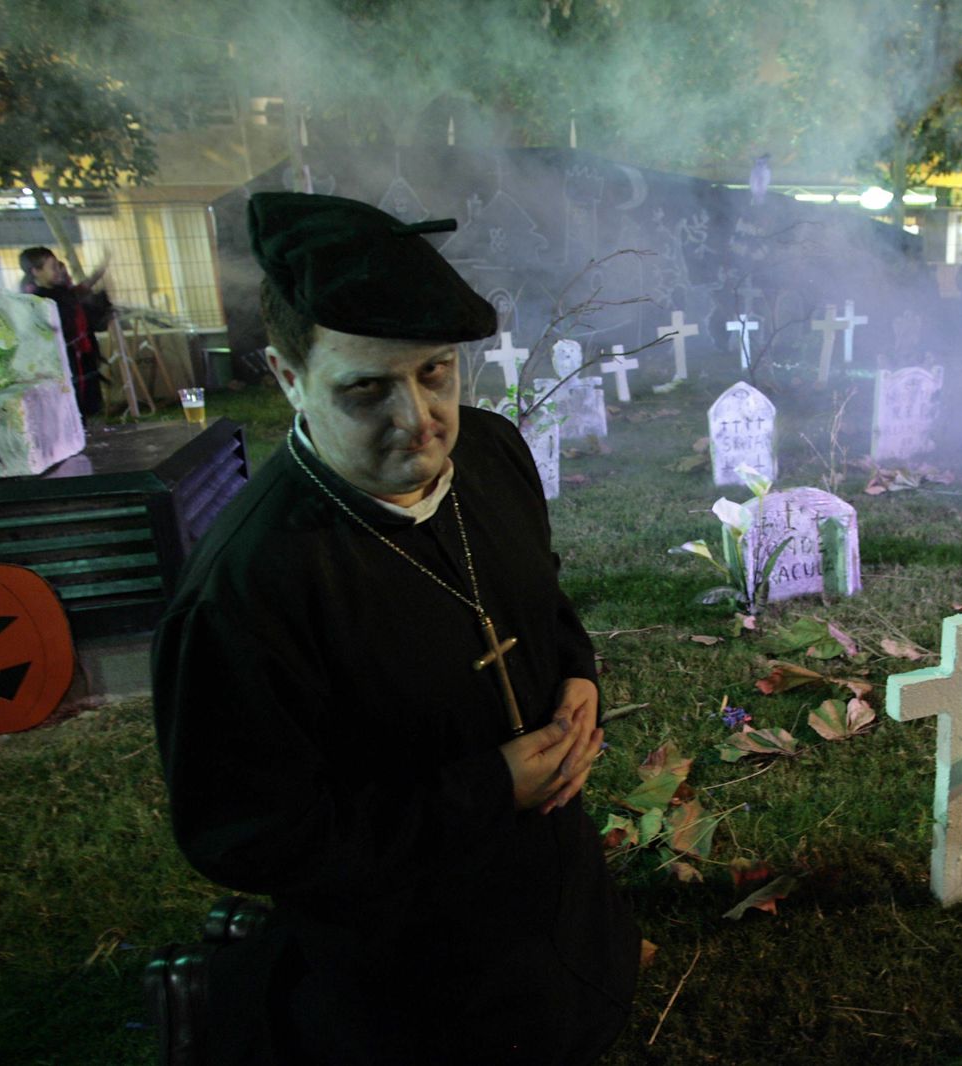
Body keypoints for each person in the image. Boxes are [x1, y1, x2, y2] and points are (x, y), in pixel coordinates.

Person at [150, 193, 639, 1064]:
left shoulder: (491, 454)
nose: (419, 421)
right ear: (286, 376)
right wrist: (489, 789)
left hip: (562, 906)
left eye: (435, 373)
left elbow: (542, 604)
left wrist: (578, 675)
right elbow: (250, 832)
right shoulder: (247, 589)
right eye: (367, 388)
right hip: (407, 977)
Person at [18, 246, 112, 417]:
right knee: (70, 406)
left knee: (85, 404)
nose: (59, 271)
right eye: (53, 267)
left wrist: (102, 268)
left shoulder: (62, 292)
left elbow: (83, 291)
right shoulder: (38, 302)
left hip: (80, 357)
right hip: (63, 363)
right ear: (36, 271)